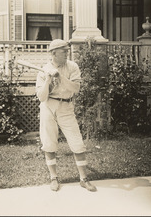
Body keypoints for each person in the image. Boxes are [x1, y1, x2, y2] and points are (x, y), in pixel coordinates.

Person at [36, 39, 97, 192]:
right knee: (49, 143)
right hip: (48, 106)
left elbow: (76, 88)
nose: (67, 52)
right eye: (63, 51)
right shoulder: (44, 70)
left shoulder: (72, 66)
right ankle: (54, 178)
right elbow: (42, 97)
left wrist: (61, 78)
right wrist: (48, 80)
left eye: (67, 50)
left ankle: (83, 179)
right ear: (54, 53)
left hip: (66, 106)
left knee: (77, 142)